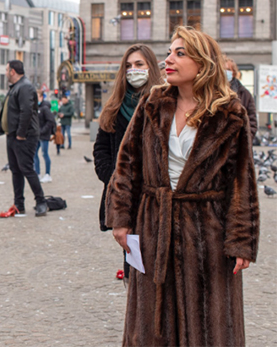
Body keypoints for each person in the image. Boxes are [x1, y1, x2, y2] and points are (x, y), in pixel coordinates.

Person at [106, 26, 259, 345]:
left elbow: (241, 181)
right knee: (152, 325)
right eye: (168, 53)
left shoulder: (231, 113)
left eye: (179, 53)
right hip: (153, 228)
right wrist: (120, 219)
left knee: (208, 326)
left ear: (203, 64)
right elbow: (127, 163)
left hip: (207, 234)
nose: (168, 60)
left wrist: (241, 240)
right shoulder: (152, 102)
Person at [93, 44, 162, 281]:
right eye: (129, 66)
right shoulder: (114, 106)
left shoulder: (162, 102)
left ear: (150, 67)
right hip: (123, 197)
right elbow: (100, 148)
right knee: (133, 265)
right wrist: (112, 177)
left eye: (139, 64)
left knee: (156, 266)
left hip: (154, 197)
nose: (133, 70)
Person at [0, 60, 47, 217]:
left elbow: (26, 112)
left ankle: (41, 202)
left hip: (24, 136)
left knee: (26, 168)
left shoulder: (24, 86)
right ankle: (19, 204)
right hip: (12, 135)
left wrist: (20, 134)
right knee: (15, 170)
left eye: (6, 70)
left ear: (12, 71)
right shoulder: (15, 87)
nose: (5, 73)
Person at [224, 55, 258, 137]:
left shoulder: (244, 93)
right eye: (223, 69)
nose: (225, 72)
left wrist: (244, 141)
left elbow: (252, 121)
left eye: (228, 69)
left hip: (238, 144)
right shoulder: (212, 91)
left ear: (233, 72)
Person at [34, 90, 55, 183]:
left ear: (41, 97)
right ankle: (37, 173)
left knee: (44, 153)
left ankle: (47, 174)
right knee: (34, 153)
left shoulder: (45, 108)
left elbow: (51, 121)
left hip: (44, 135)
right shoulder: (35, 107)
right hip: (36, 135)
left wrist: (43, 131)